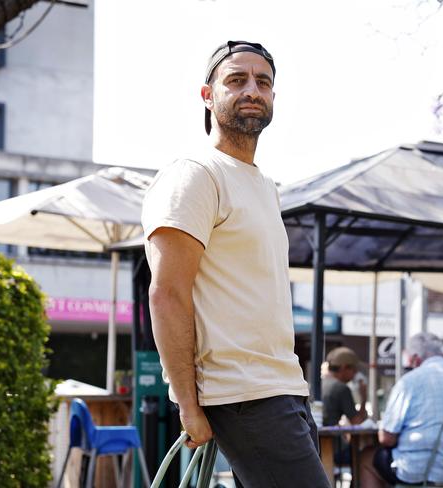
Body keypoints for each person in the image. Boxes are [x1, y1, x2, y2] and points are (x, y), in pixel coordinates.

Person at [142, 40, 331, 488]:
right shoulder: (195, 174)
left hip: (283, 387)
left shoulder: (265, 185)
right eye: (236, 80)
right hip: (244, 394)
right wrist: (187, 404)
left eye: (263, 82)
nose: (252, 90)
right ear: (208, 95)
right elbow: (167, 294)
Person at [360, 332, 443, 487]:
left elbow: (386, 438)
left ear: (415, 358)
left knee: (367, 457)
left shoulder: (409, 382)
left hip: (421, 473)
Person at [322, 347, 369, 467]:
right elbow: (357, 423)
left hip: (314, 447)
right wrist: (363, 397)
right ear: (344, 367)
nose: (354, 375)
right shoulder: (341, 388)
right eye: (354, 370)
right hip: (333, 448)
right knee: (367, 456)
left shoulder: (319, 384)